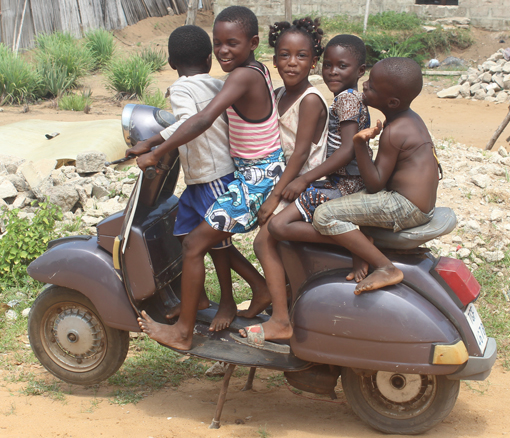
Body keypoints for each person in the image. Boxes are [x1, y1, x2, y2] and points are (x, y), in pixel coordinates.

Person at [131, 6, 286, 351]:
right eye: (218, 43)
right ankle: (229, 298)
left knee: (194, 245)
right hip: (254, 171)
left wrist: (156, 153)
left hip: (255, 178)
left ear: (253, 43)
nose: (223, 51)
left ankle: (184, 333)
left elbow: (201, 120)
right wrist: (156, 140)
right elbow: (192, 119)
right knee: (195, 239)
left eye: (232, 43)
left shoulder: (241, 77)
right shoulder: (251, 71)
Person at [234, 18, 328, 351]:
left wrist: (273, 198)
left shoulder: (311, 100)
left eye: (301, 56)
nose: (292, 62)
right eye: (284, 55)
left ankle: (281, 321)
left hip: (303, 186)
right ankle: (277, 299)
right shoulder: (276, 95)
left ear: (313, 62)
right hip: (280, 180)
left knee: (263, 242)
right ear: (273, 59)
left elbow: (301, 153)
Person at [312, 57, 440, 294]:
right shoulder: (409, 119)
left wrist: (359, 144)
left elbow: (374, 184)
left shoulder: (394, 132)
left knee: (324, 215)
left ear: (391, 102)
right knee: (345, 200)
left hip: (405, 206)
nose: (364, 85)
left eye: (372, 86)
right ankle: (361, 251)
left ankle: (385, 267)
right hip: (420, 203)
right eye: (367, 79)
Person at [269, 34, 372, 285]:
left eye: (342, 66)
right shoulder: (346, 98)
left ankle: (357, 245)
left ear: (360, 71)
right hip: (340, 182)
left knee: (279, 226)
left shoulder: (347, 99)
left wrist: (303, 179)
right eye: (328, 65)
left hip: (346, 185)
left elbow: (347, 150)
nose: (332, 72)